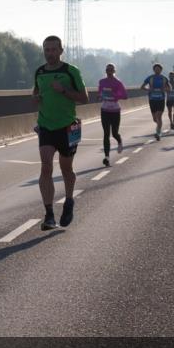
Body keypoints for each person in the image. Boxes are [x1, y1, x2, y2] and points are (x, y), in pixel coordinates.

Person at [32, 36, 89, 230]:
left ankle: (69, 201)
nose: (50, 53)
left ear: (61, 50)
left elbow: (84, 98)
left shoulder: (70, 71)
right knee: (46, 167)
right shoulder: (39, 72)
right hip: (46, 126)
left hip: (67, 127)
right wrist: (36, 97)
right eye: (46, 50)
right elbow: (36, 93)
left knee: (66, 168)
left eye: (53, 50)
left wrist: (64, 90)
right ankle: (48, 215)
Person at [97, 63, 127, 167]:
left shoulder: (118, 83)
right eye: (107, 70)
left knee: (114, 133)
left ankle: (119, 141)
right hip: (105, 110)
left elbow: (125, 95)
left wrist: (114, 95)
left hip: (115, 110)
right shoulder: (102, 82)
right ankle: (107, 157)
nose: (109, 71)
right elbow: (99, 93)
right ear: (105, 71)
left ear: (114, 71)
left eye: (111, 70)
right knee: (106, 134)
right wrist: (100, 96)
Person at [141, 63, 170, 140]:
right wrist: (149, 89)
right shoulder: (150, 78)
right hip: (152, 100)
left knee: (158, 116)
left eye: (159, 69)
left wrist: (164, 90)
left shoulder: (164, 78)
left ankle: (158, 132)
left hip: (161, 100)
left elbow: (169, 88)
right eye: (156, 69)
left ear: (161, 70)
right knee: (154, 118)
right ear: (154, 70)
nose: (157, 70)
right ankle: (159, 126)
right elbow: (142, 87)